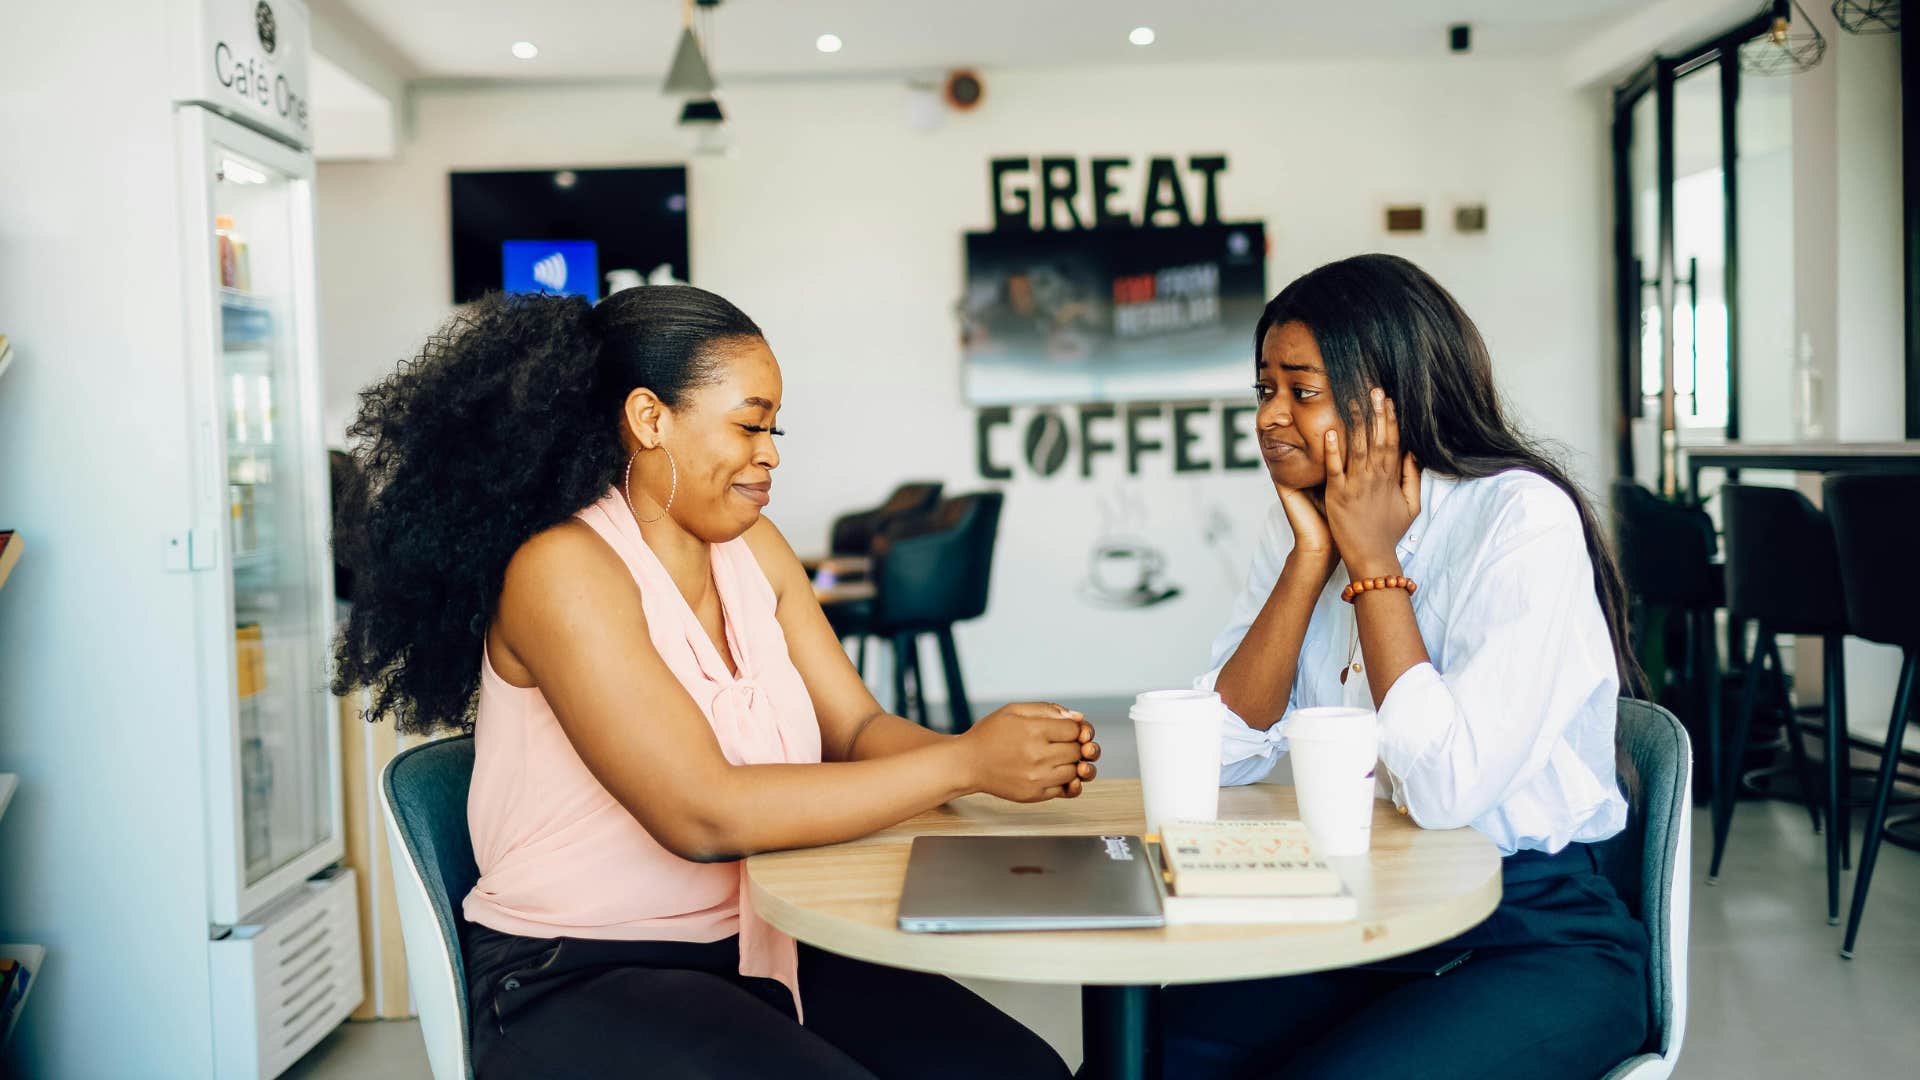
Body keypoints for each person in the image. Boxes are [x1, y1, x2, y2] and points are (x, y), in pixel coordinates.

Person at [333, 285, 1097, 1079]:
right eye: (749, 425)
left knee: (1023, 1072)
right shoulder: (562, 569)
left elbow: (856, 731)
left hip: (763, 947)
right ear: (649, 418)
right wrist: (965, 764)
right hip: (580, 971)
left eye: (774, 429)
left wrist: (1001, 761)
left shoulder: (756, 549)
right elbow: (701, 813)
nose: (771, 454)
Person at [1163, 254, 1649, 1079]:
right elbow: (1220, 756)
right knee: (1158, 1050)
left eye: (1301, 390)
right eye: (1264, 389)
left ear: (1389, 400)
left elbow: (1446, 790)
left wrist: (1372, 561)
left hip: (1532, 932)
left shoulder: (1520, 518)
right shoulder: (1300, 523)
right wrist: (1311, 558)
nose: (1270, 417)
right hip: (1367, 909)